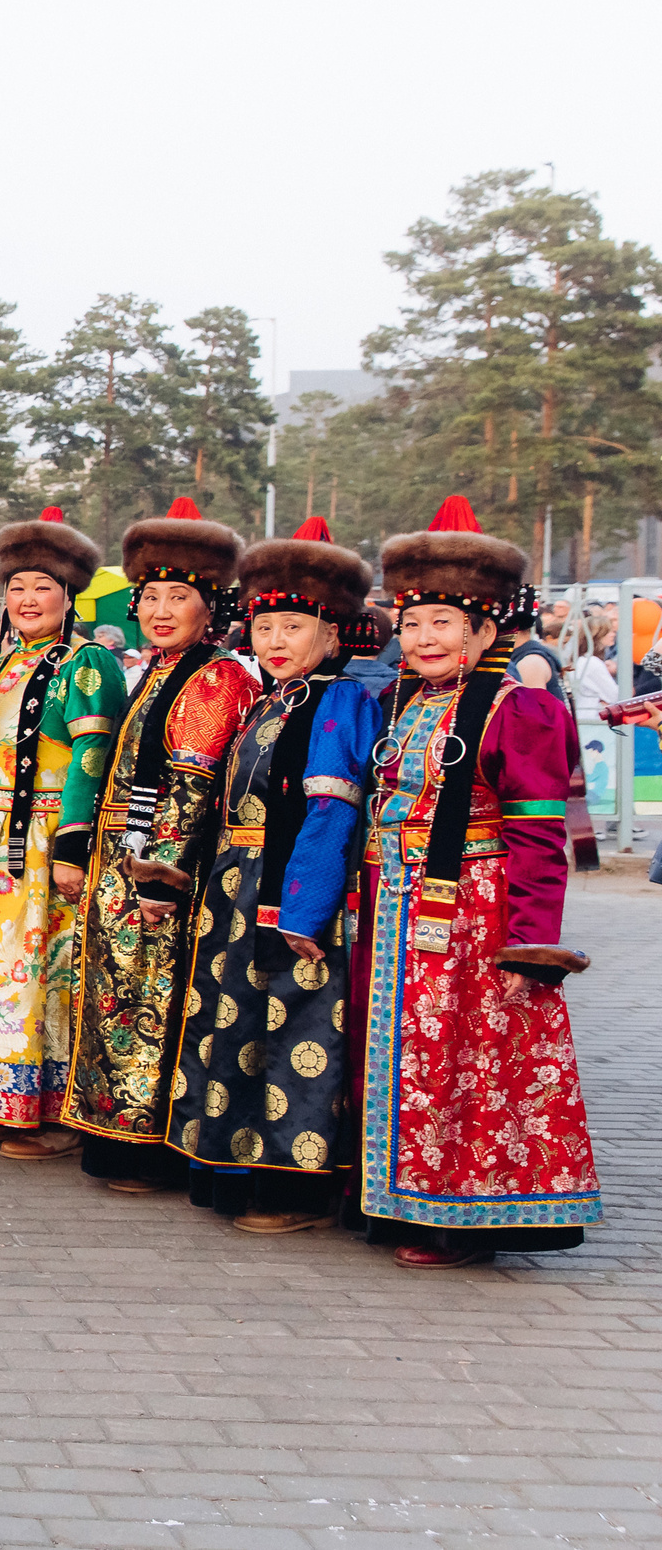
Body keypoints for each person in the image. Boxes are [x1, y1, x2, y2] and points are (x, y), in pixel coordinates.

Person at [356, 495, 600, 1268]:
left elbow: (536, 830)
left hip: (471, 914)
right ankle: (395, 1200)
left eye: (442, 624)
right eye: (413, 623)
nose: (423, 638)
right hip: (391, 910)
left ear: (483, 631)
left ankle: (459, 1215)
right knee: (402, 1059)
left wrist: (533, 936)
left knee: (467, 1063)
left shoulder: (515, 707)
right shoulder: (400, 702)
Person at [167, 517, 381, 1232]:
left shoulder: (339, 701)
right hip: (235, 889)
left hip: (289, 896)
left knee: (295, 1039)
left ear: (331, 633)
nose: (276, 643)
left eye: (292, 628)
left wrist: (305, 910)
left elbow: (329, 814)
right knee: (235, 1034)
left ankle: (289, 1188)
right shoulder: (270, 699)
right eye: (265, 630)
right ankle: (232, 1168)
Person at [61, 500, 256, 1191]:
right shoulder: (155, 668)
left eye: (180, 596)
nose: (161, 609)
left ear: (212, 607)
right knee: (114, 997)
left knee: (147, 1000)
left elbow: (190, 787)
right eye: (151, 597)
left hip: (156, 868)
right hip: (123, 852)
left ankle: (145, 1143)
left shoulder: (213, 676)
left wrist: (158, 877)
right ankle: (112, 1131)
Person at [0, 508, 124, 1159]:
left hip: (43, 840)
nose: (26, 600)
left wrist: (73, 844)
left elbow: (90, 762)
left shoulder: (88, 664)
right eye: (16, 587)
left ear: (68, 596)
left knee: (48, 973)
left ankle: (51, 1112)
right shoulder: (7, 661)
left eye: (41, 587)